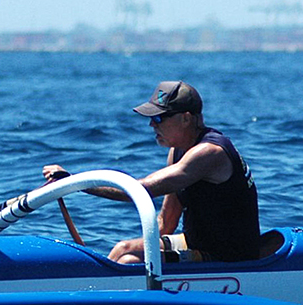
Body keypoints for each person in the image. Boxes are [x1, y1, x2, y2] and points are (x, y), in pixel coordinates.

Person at [43, 80, 260, 264]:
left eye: (158, 118)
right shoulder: (178, 152)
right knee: (123, 248)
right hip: (196, 243)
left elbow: (140, 190)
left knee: (129, 260)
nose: (151, 125)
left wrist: (73, 183)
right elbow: (167, 221)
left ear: (186, 118)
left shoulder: (209, 152)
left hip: (229, 258)